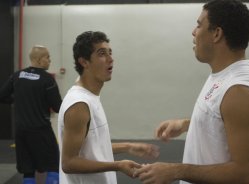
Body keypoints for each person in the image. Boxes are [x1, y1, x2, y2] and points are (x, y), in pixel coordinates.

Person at [134, 0, 249, 184]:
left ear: (216, 33)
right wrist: (185, 124)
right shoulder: (222, 76)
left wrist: (175, 171)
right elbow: (223, 122)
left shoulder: (239, 91)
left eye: (199, 25)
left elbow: (245, 175)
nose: (193, 31)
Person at [58, 31, 160, 184]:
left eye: (110, 53)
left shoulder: (90, 96)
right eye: (102, 54)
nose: (111, 59)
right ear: (84, 62)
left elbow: (91, 148)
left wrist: (128, 147)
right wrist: (117, 165)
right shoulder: (79, 105)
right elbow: (68, 163)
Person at [0, 45, 62, 184]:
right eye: (47, 57)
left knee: (28, 170)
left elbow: (2, 96)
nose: (49, 60)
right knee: (53, 165)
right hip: (41, 131)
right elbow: (58, 107)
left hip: (21, 132)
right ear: (39, 59)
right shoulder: (47, 79)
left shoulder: (17, 76)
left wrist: (16, 100)